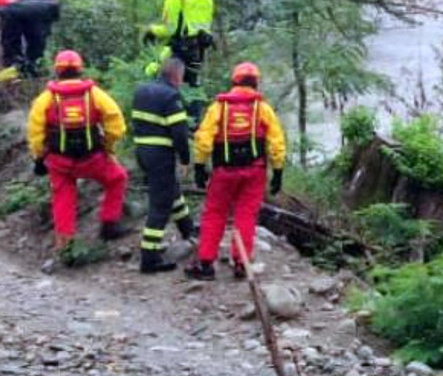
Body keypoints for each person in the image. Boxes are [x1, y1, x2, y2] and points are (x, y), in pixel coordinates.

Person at [27, 50, 132, 262]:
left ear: (57, 70)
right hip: (93, 159)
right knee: (118, 178)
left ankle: (65, 247)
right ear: (79, 68)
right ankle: (109, 225)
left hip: (59, 162)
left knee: (63, 199)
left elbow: (35, 134)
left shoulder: (45, 99)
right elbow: (117, 125)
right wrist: (108, 147)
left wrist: (39, 158)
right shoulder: (95, 94)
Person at [189, 61, 286, 281]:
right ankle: (241, 263)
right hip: (254, 171)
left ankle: (205, 264)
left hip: (224, 172)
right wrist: (278, 171)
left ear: (234, 81)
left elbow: (203, 139)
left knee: (215, 214)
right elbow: (276, 142)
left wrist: (199, 166)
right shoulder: (262, 108)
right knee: (246, 215)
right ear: (256, 83)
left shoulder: (219, 108)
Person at [131, 57, 197, 274]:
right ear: (176, 75)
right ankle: (149, 258)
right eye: (182, 77)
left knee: (171, 191)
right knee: (160, 206)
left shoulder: (142, 91)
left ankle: (188, 229)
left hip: (142, 152)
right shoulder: (170, 96)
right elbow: (179, 131)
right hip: (160, 154)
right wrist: (186, 159)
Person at [144, 0, 214, 87]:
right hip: (199, 54)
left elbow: (170, 29)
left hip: (179, 52)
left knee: (150, 73)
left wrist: (151, 31)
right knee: (192, 90)